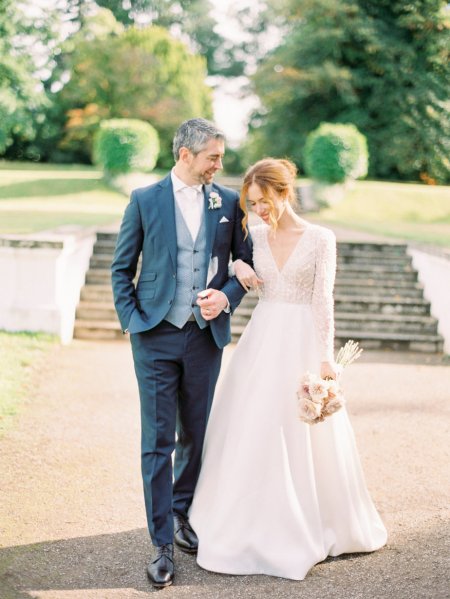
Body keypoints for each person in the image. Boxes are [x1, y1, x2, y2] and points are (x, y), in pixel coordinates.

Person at [189, 157, 387, 580]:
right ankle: (246, 514)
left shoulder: (320, 238)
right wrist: (239, 266)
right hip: (262, 339)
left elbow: (323, 300)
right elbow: (227, 265)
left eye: (263, 201)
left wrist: (324, 359)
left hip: (301, 342)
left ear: (283, 192)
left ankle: (311, 518)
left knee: (302, 432)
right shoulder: (254, 236)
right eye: (251, 203)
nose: (258, 210)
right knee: (253, 424)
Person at [111, 118, 253, 588]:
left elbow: (246, 264)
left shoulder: (228, 202)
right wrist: (134, 322)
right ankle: (160, 544)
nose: (219, 165)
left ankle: (181, 514)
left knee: (195, 432)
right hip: (154, 335)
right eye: (213, 156)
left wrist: (227, 296)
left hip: (204, 337)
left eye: (220, 157)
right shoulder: (144, 200)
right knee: (157, 440)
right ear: (185, 155)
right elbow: (121, 268)